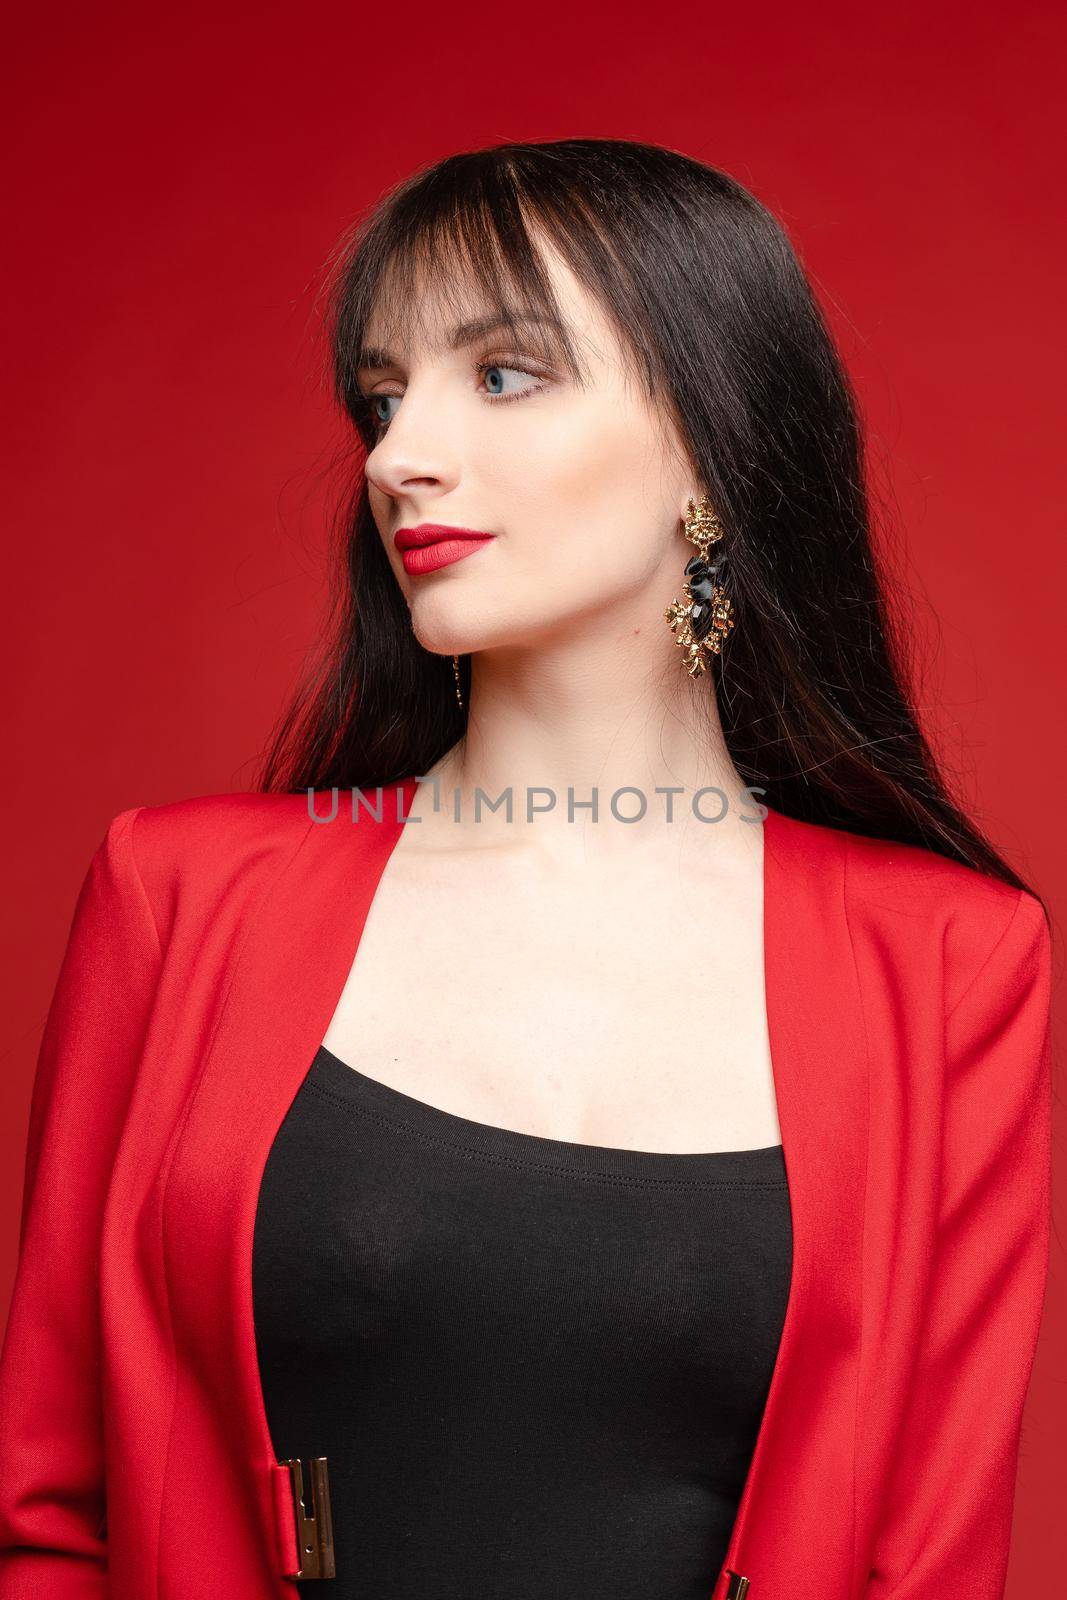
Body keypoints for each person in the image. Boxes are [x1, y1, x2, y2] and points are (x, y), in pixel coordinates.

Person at [0, 138, 1053, 1600]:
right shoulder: (180, 900)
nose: (395, 454)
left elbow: (929, 1565)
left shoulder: (951, 967)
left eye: (502, 374)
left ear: (710, 433)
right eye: (382, 394)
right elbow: (52, 1521)